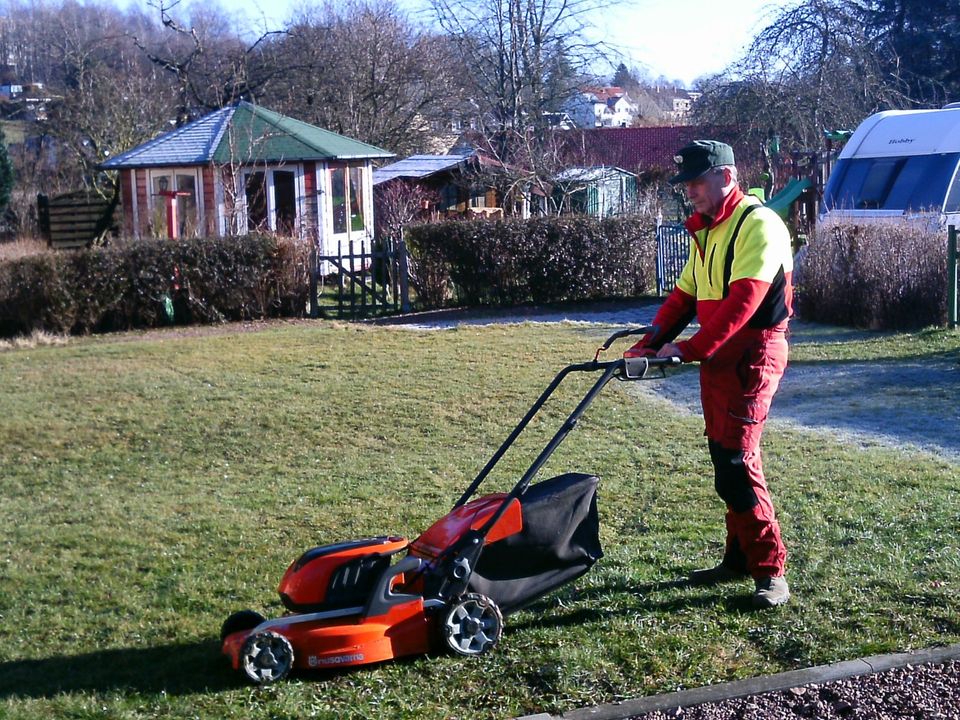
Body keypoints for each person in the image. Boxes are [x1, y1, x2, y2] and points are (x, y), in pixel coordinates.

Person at [626, 140, 793, 608]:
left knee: (737, 463)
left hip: (752, 352)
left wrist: (690, 348)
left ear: (727, 176)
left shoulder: (757, 224)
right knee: (723, 456)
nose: (690, 192)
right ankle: (738, 558)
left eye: (697, 182)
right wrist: (650, 342)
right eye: (686, 184)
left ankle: (770, 570)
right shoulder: (707, 231)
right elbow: (684, 298)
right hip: (718, 355)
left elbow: (745, 302)